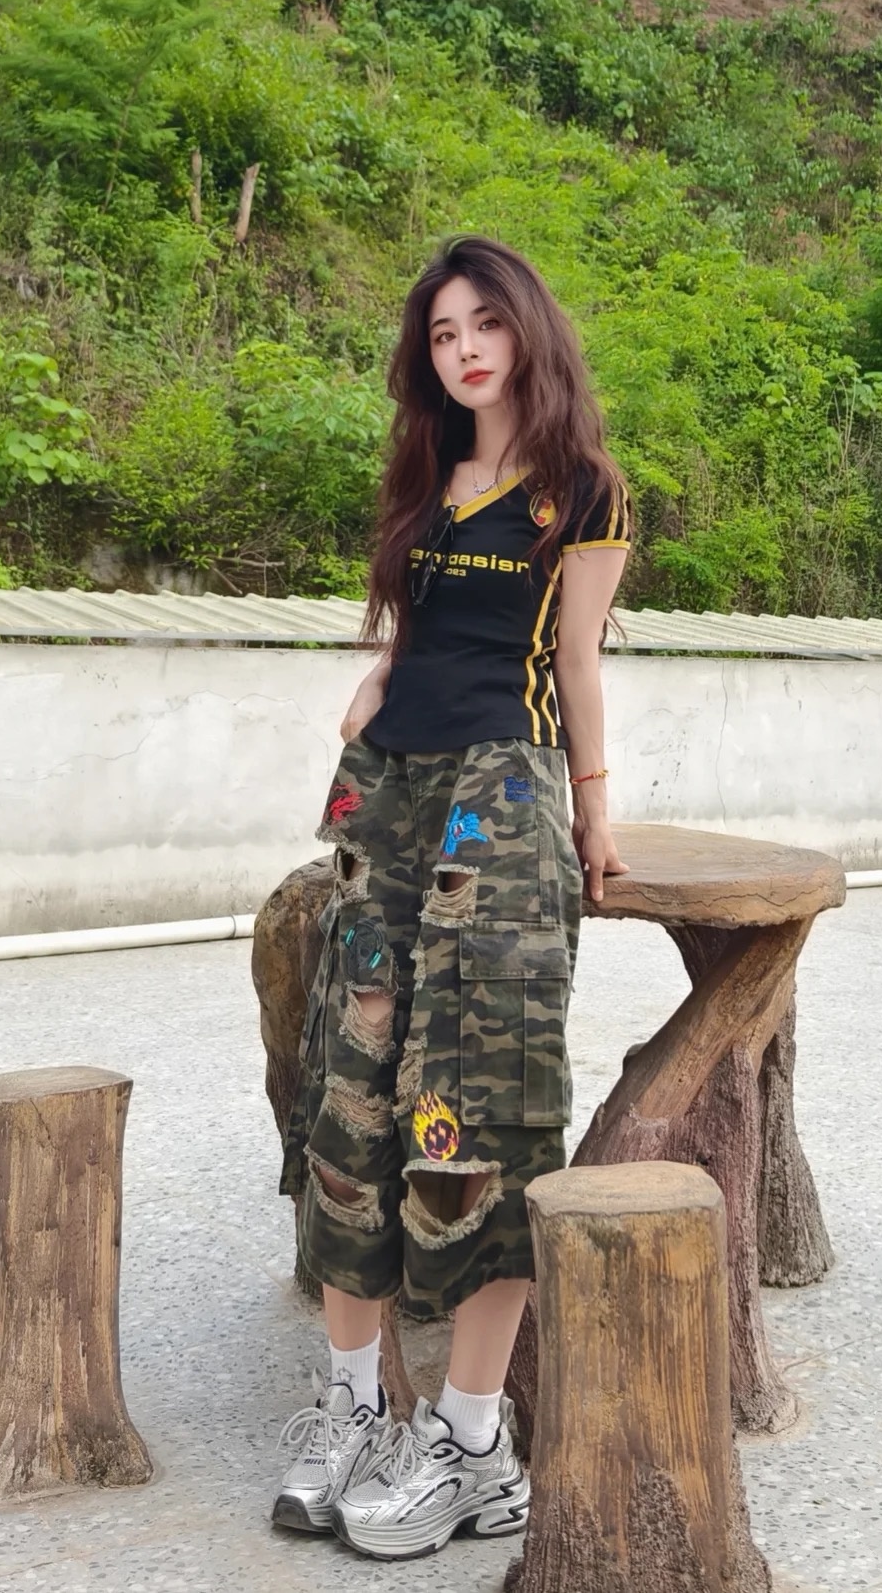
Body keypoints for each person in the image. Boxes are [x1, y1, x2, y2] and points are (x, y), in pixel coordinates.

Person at [272, 234, 632, 1561]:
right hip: (385, 792)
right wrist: (379, 672)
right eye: (441, 332)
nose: (465, 348)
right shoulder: (428, 473)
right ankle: (356, 1408)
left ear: (528, 329)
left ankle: (474, 1444)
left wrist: (596, 807)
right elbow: (416, 625)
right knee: (351, 1093)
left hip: (503, 795)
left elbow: (576, 661)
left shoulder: (582, 489)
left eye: (485, 323)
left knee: (472, 1105)